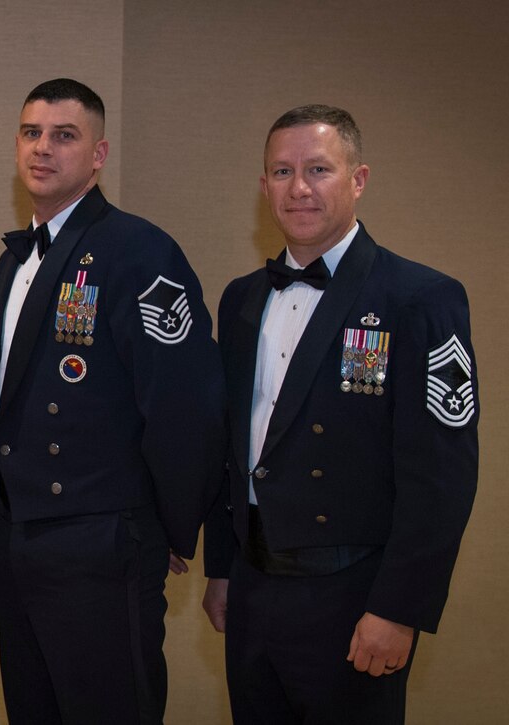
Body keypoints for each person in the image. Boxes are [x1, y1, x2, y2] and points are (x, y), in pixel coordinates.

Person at [202, 105, 479, 724]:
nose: (298, 187)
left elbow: (442, 474)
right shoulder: (242, 297)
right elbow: (232, 446)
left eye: (319, 169)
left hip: (354, 596)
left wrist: (399, 608)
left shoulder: (420, 297)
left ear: (358, 180)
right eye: (281, 170)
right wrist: (220, 568)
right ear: (264, 185)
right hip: (253, 587)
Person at [0, 78, 226, 724]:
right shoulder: (14, 263)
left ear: (98, 154)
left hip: (103, 539)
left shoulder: (139, 251)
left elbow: (187, 404)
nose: (44, 148)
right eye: (32, 133)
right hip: (18, 537)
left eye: (65, 135)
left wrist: (171, 523)